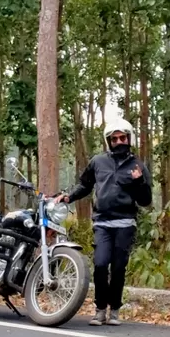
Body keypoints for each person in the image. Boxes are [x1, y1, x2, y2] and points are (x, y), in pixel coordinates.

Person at [58, 118, 152, 326]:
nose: (119, 141)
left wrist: (139, 182)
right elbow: (85, 185)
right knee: (100, 264)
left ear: (129, 138)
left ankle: (115, 310)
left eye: (122, 137)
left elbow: (145, 200)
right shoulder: (98, 161)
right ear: (108, 141)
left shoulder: (138, 166)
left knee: (118, 267)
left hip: (126, 223)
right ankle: (100, 310)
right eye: (114, 139)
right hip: (102, 222)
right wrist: (68, 197)